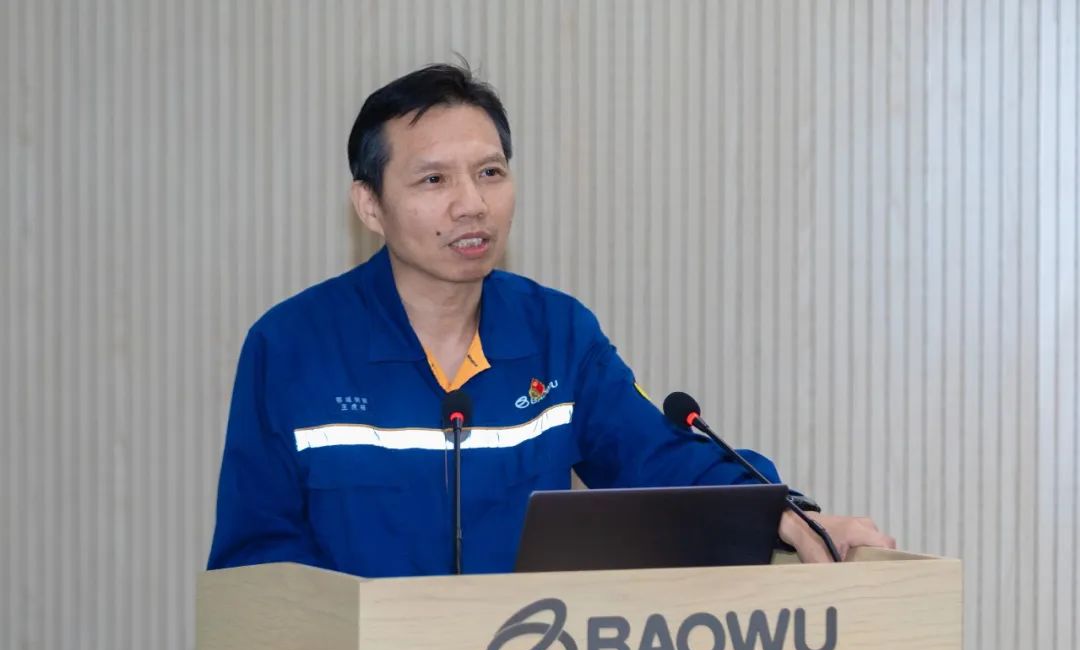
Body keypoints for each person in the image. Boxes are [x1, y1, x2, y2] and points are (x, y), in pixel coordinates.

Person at [207, 63, 894, 577]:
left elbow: (658, 459)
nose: (472, 204)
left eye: (490, 173)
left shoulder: (556, 336)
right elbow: (257, 558)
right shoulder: (292, 347)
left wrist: (779, 511)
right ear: (370, 206)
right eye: (434, 180)